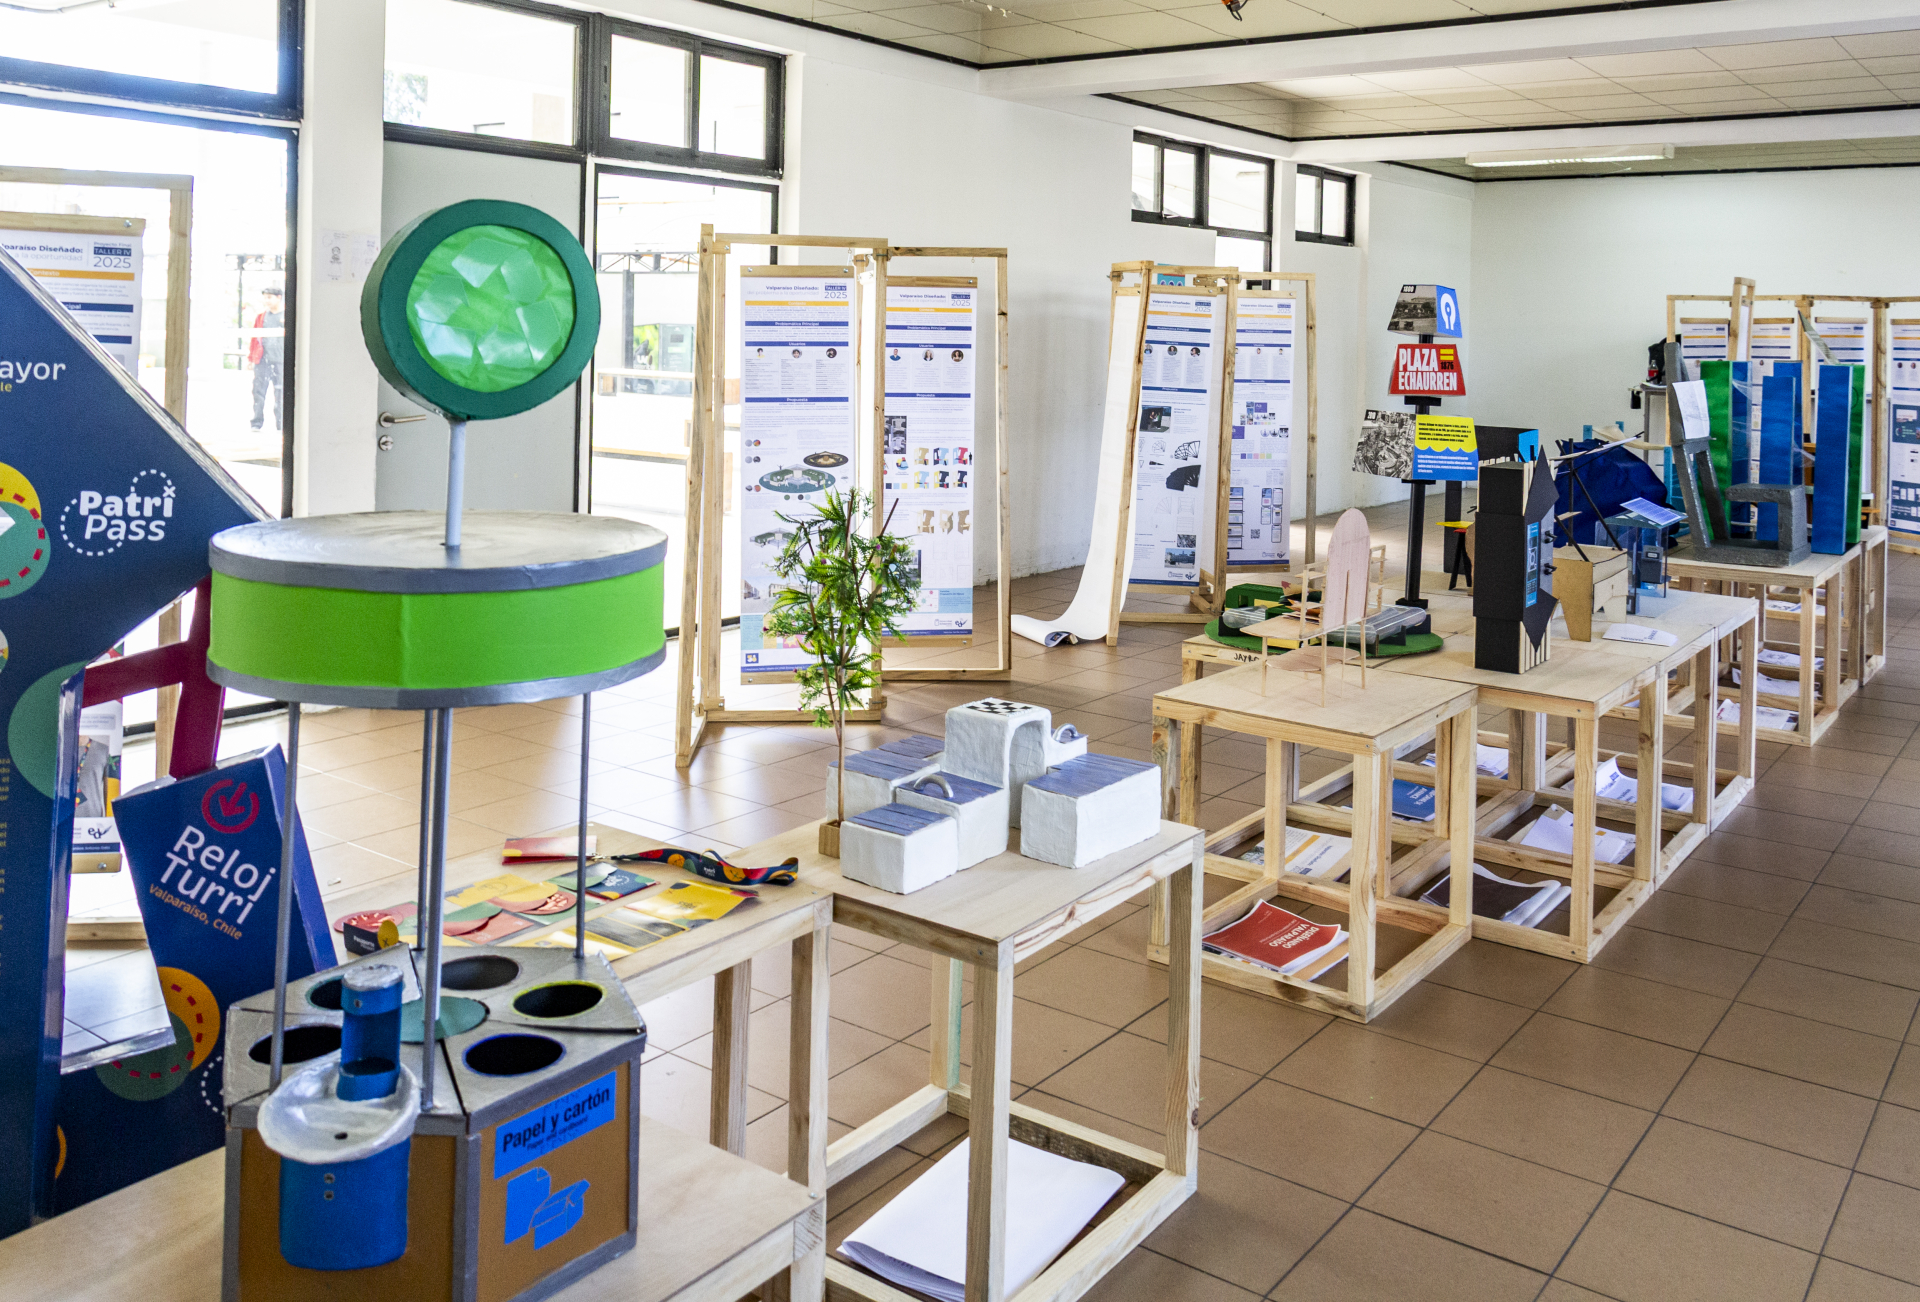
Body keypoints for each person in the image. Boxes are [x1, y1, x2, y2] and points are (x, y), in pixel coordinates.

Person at [248, 285, 284, 431]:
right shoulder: (261, 317)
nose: (266, 301)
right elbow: (255, 338)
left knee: (281, 392)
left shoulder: (286, 316)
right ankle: (256, 423)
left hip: (281, 361)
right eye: (265, 298)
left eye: (269, 297)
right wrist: (251, 358)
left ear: (279, 298)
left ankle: (281, 424)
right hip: (263, 361)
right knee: (258, 392)